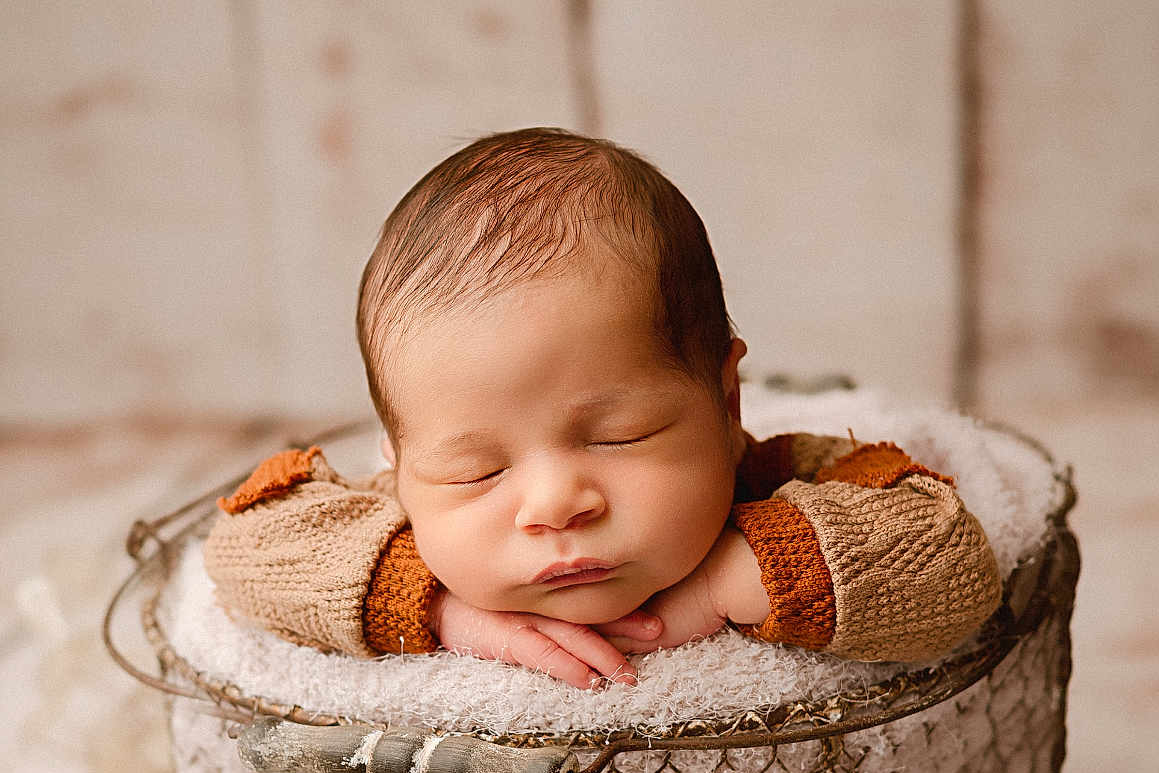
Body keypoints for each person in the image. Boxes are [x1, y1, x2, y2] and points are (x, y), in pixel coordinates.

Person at [205, 127, 1001, 691]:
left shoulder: (777, 477)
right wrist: (434, 604)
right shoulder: (403, 524)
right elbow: (245, 549)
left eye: (620, 436)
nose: (555, 504)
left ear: (725, 403)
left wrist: (736, 577)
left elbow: (950, 562)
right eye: (474, 470)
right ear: (401, 467)